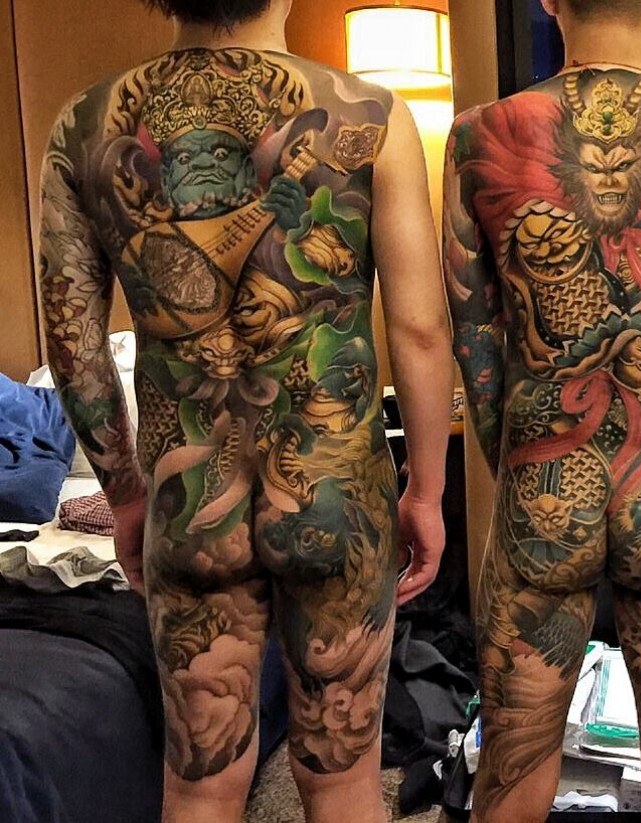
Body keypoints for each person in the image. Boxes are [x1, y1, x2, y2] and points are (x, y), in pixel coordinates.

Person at [36, 0, 456, 820]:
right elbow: (420, 329)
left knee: (201, 783)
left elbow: (72, 343)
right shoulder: (371, 117)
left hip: (191, 504)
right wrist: (428, 491)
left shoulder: (84, 126)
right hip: (335, 498)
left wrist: (126, 496)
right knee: (344, 781)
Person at [442, 1, 641, 820]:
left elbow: (477, 347)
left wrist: (519, 474)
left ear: (550, 0)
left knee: (512, 777)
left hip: (544, 488)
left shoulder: (479, 136)